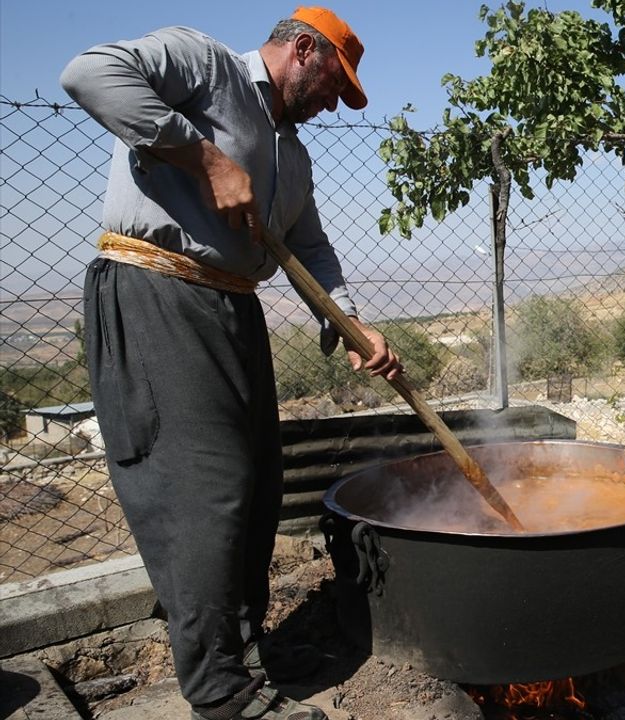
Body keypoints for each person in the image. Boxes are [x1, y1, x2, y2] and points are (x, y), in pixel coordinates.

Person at [60, 8, 399, 720]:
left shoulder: (291, 154)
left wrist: (350, 320)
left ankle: (246, 658)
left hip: (233, 306)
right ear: (304, 51)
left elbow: (310, 247)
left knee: (258, 486)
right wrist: (207, 158)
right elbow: (88, 74)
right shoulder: (205, 65)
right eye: (337, 85)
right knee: (205, 492)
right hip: (159, 288)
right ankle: (222, 694)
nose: (336, 105)